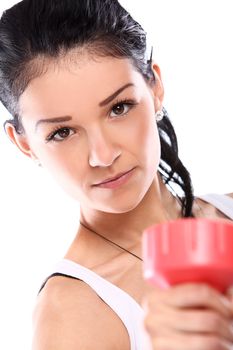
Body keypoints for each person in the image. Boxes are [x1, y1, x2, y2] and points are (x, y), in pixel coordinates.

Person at [1, 0, 233, 349]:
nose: (103, 155)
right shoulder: (73, 312)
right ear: (24, 144)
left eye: (119, 108)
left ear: (155, 89)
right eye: (62, 133)